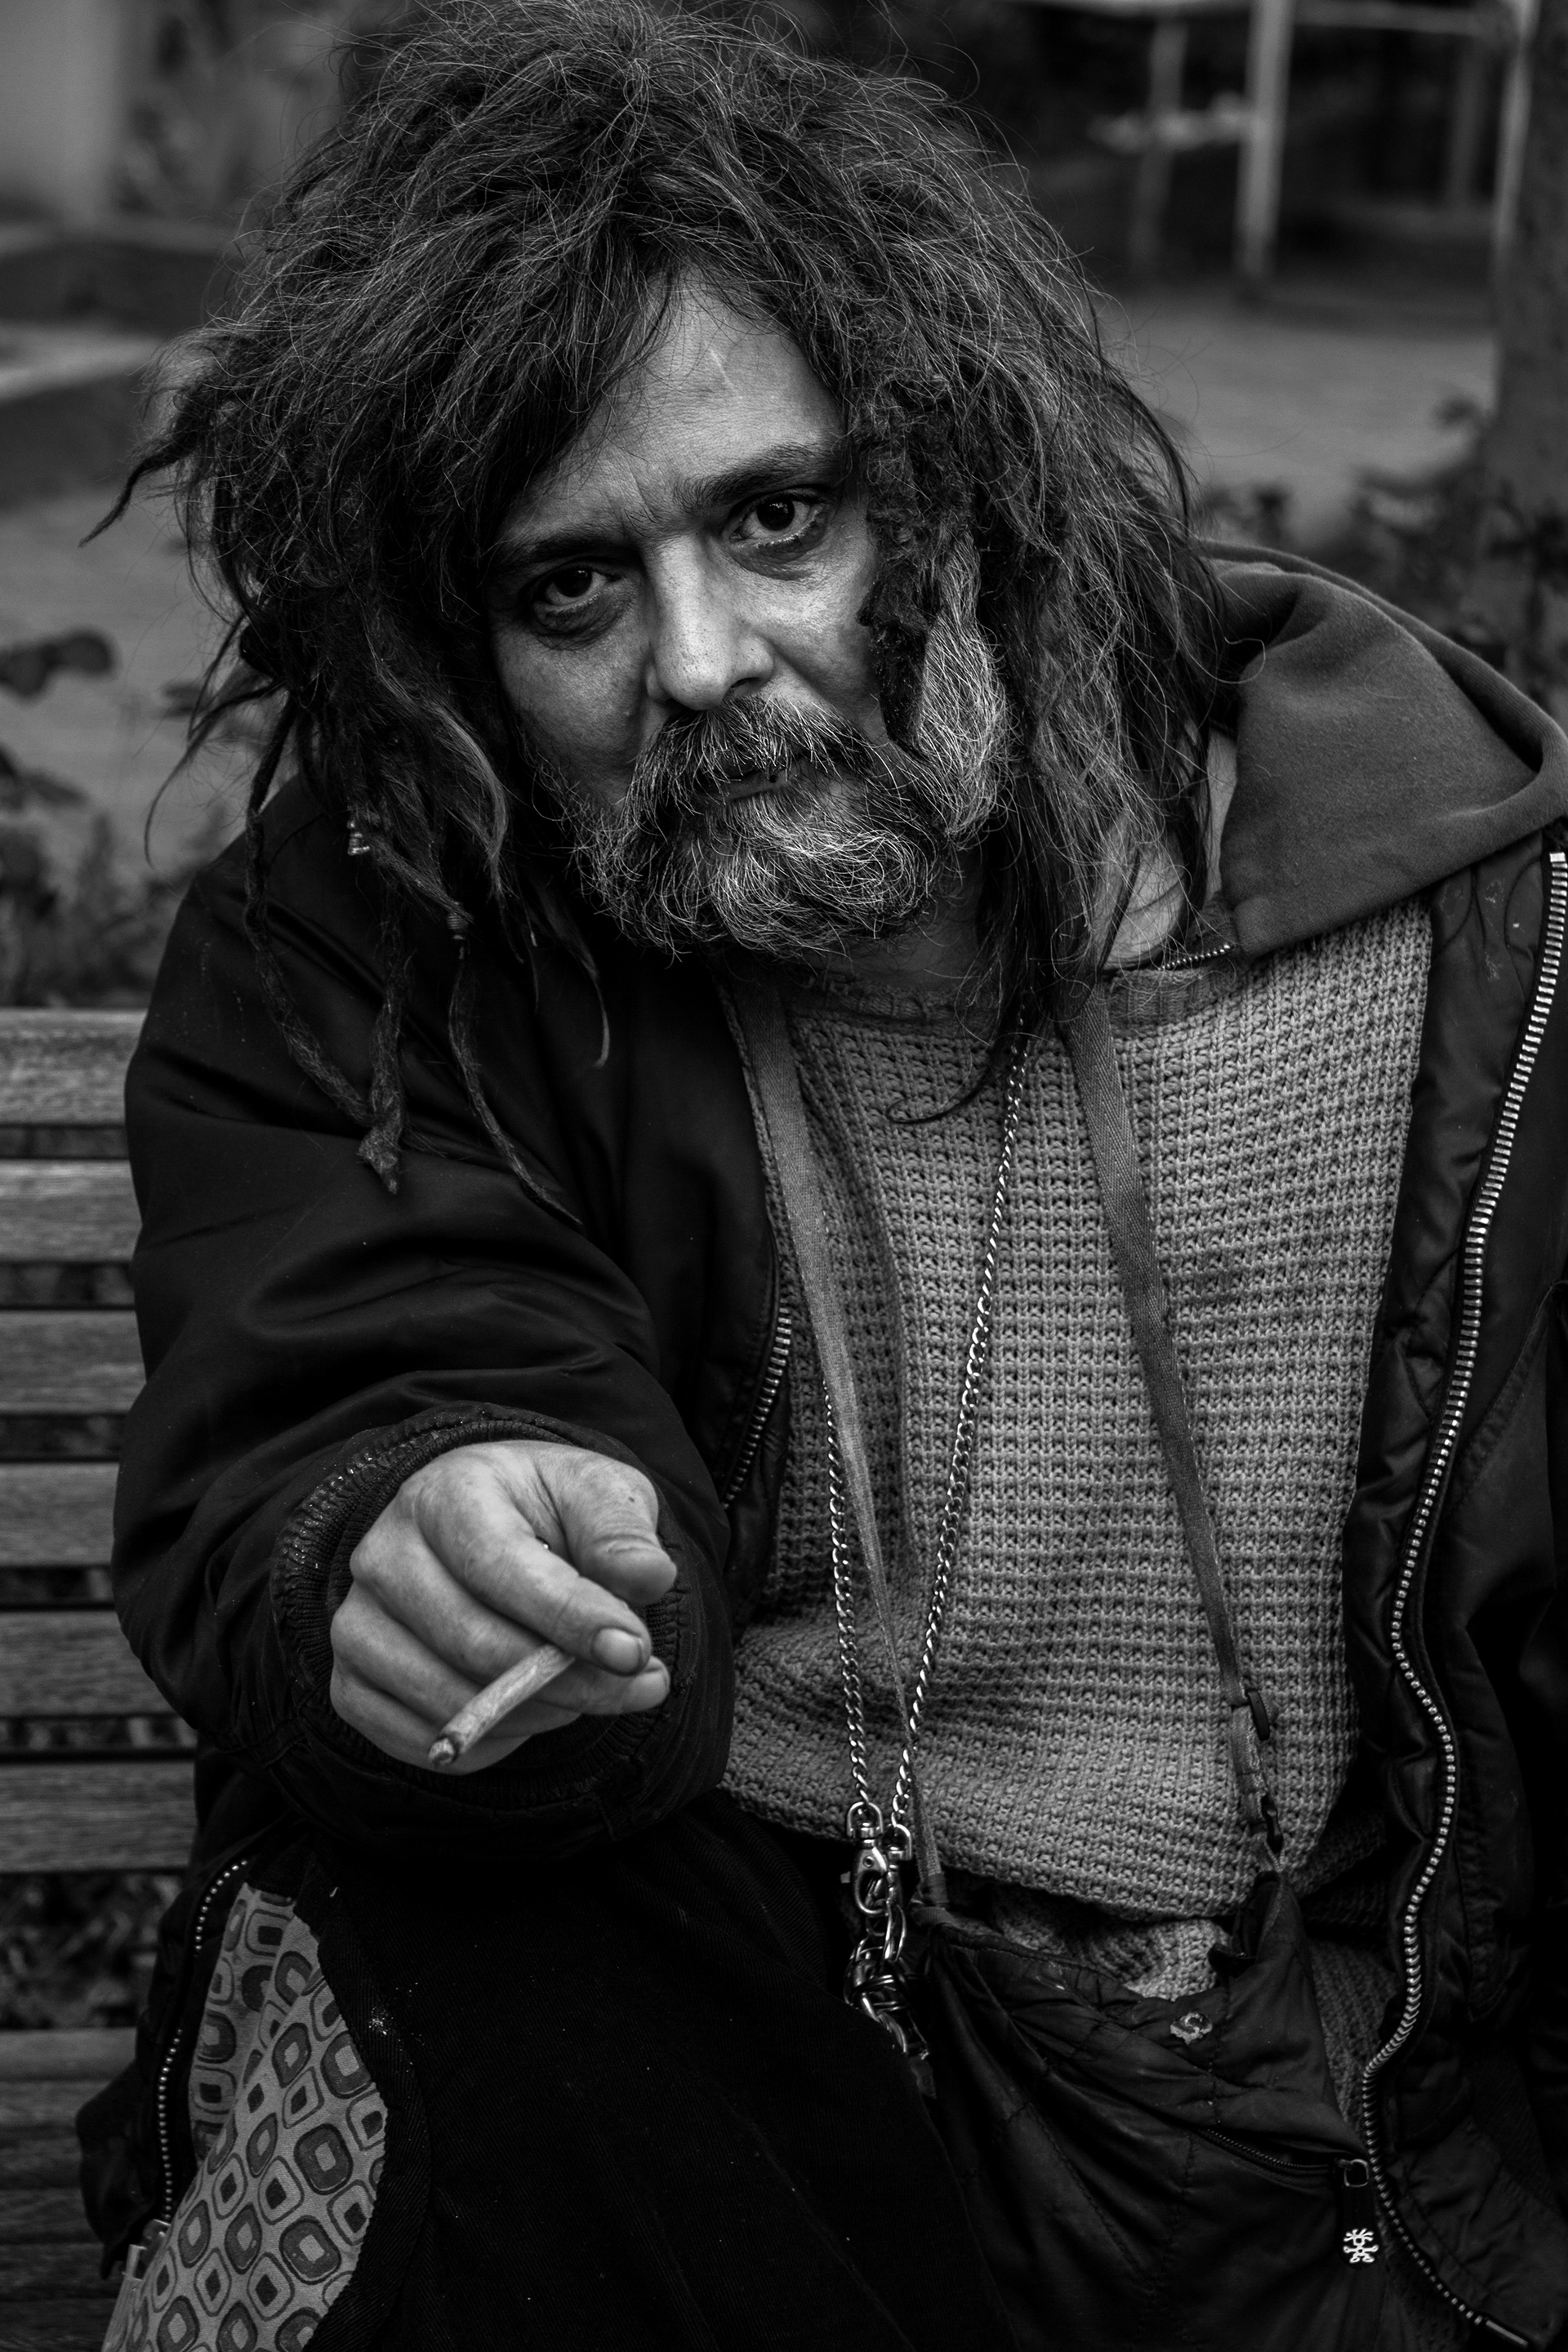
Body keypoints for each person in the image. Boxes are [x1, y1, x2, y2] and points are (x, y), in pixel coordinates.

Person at [82, 4, 1568, 2347]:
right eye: (571, 589)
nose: (700, 659)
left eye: (776, 517)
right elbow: (351, 1360)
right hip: (726, 2044)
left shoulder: (1466, 922)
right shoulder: (392, 939)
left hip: (1347, 2101)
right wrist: (411, 1519)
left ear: (961, 479)